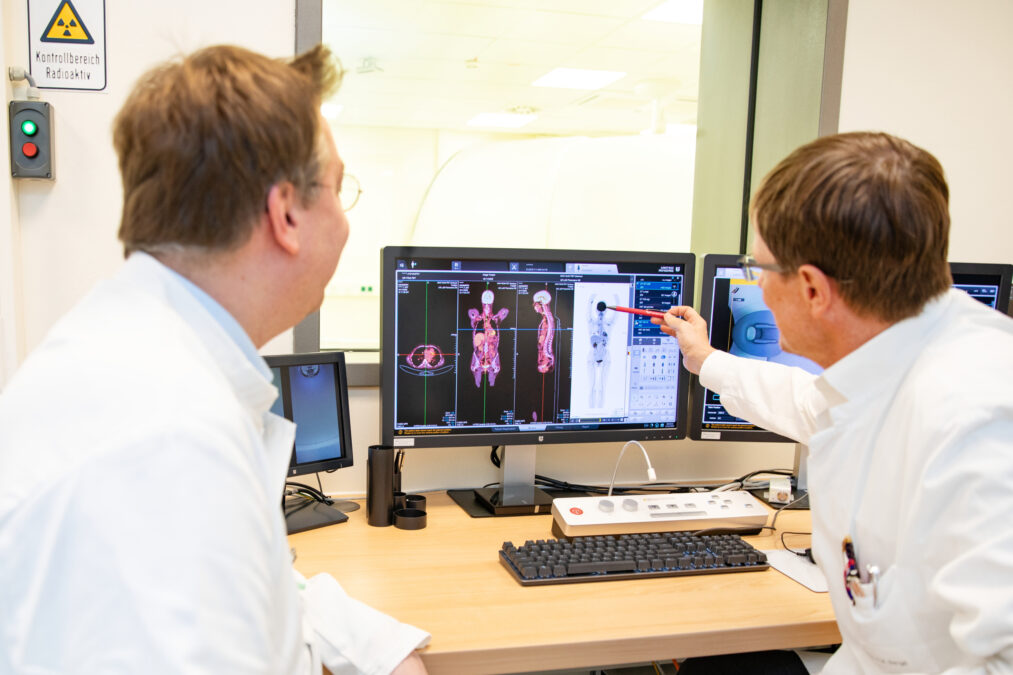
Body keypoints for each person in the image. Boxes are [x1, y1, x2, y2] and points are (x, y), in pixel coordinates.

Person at [0, 45, 429, 674]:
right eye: (340, 190)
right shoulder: (165, 443)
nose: (344, 222)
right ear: (286, 214)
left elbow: (254, 587)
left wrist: (377, 650)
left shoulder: (145, 359)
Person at [657, 132, 1013, 673]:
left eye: (759, 269)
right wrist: (706, 359)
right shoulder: (899, 363)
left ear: (812, 289)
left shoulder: (979, 422)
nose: (757, 286)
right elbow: (814, 406)